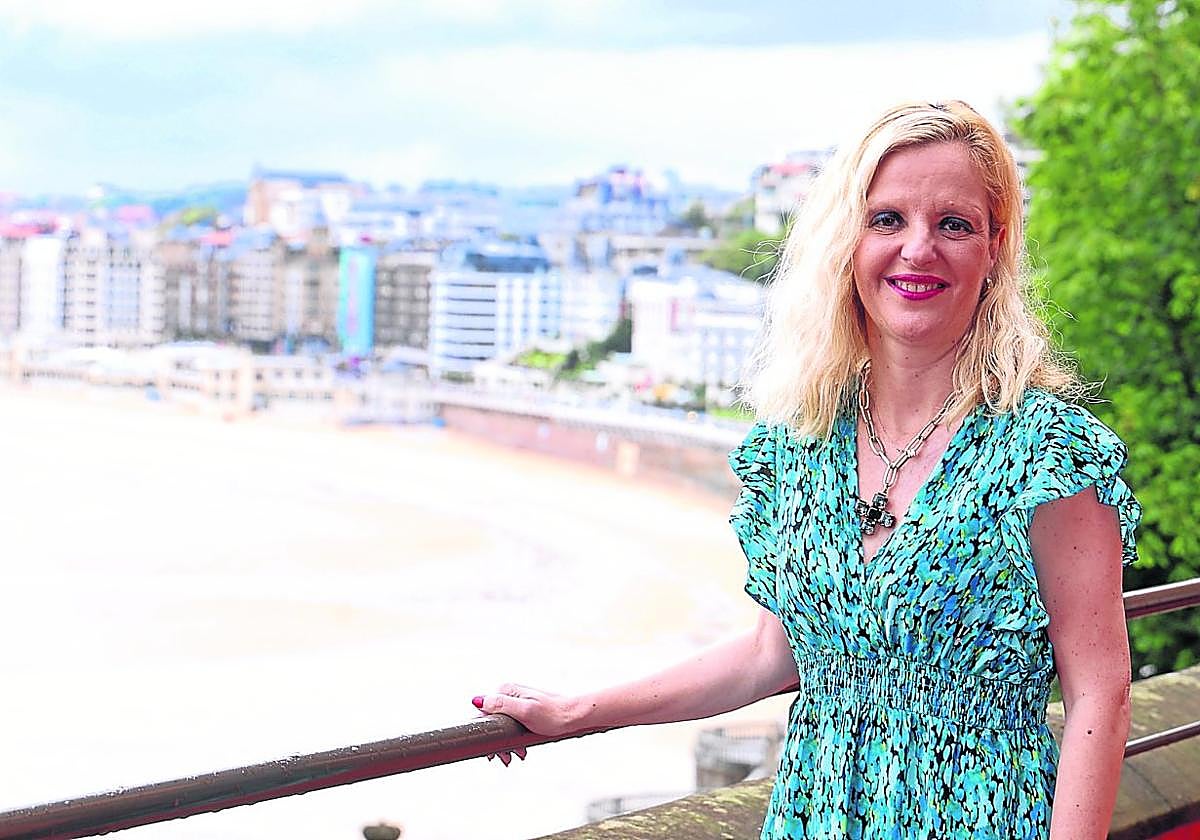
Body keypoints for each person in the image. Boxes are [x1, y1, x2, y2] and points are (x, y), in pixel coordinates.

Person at [472, 100, 1140, 839]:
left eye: (954, 224)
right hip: (818, 816)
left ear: (994, 246)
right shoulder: (801, 441)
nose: (919, 248)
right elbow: (769, 654)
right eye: (887, 219)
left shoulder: (1047, 452)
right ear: (846, 242)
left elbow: (1099, 694)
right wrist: (576, 713)